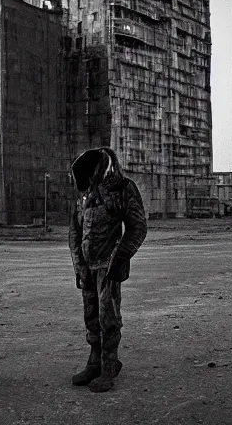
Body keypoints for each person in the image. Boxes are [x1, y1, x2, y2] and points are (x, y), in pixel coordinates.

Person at [68, 147, 147, 392]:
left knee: (107, 317)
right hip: (89, 267)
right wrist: (79, 265)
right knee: (91, 315)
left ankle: (109, 365)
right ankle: (94, 362)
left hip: (108, 266)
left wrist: (119, 259)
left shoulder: (123, 189)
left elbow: (137, 227)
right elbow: (75, 232)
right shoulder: (85, 195)